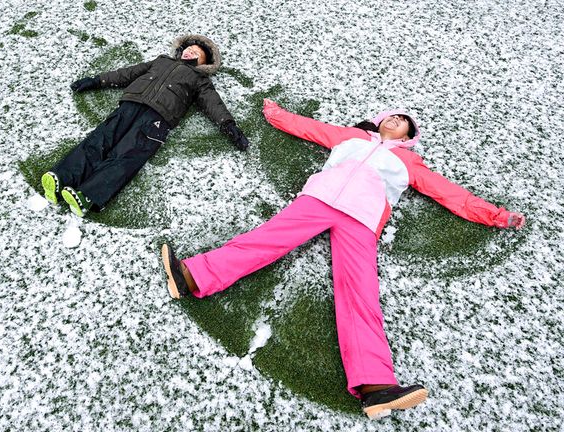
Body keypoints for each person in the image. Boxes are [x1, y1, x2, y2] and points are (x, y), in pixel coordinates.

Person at [160, 99, 525, 420]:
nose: (397, 121)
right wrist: (274, 113)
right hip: (319, 199)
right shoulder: (351, 137)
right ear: (380, 120)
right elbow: (310, 128)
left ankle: (376, 385)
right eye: (393, 116)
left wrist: (495, 215)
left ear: (408, 136)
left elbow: (451, 194)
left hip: (363, 218)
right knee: (265, 241)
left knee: (359, 292)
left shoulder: (411, 164)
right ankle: (191, 276)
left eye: (405, 122)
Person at [41, 34, 249, 217]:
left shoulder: (199, 79)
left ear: (204, 62)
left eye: (196, 52)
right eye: (188, 48)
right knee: (99, 140)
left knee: (127, 154)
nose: (190, 52)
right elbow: (128, 73)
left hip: (157, 119)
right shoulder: (161, 61)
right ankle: (61, 177)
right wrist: (96, 81)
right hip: (131, 105)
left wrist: (228, 125)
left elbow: (213, 103)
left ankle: (87, 195)